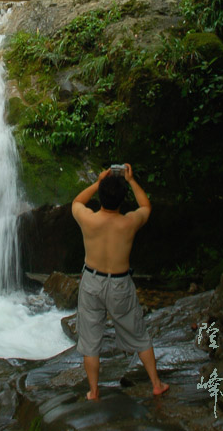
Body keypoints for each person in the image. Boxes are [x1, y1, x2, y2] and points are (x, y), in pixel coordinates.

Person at [72, 163, 169, 400]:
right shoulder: (129, 223)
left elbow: (76, 202)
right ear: (122, 199)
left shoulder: (88, 220)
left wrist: (98, 182)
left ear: (101, 196)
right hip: (119, 283)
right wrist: (132, 180)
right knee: (138, 333)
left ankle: (94, 391)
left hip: (92, 281)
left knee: (90, 339)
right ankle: (156, 384)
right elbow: (146, 206)